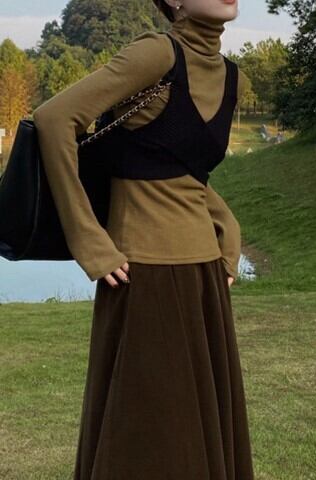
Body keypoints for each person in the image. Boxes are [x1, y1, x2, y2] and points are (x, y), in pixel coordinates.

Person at [32, 0, 255, 478]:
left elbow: (179, 170)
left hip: (205, 275)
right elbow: (54, 120)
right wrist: (90, 242)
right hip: (143, 273)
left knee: (197, 433)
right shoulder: (156, 54)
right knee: (148, 434)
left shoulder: (231, 77)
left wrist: (228, 229)